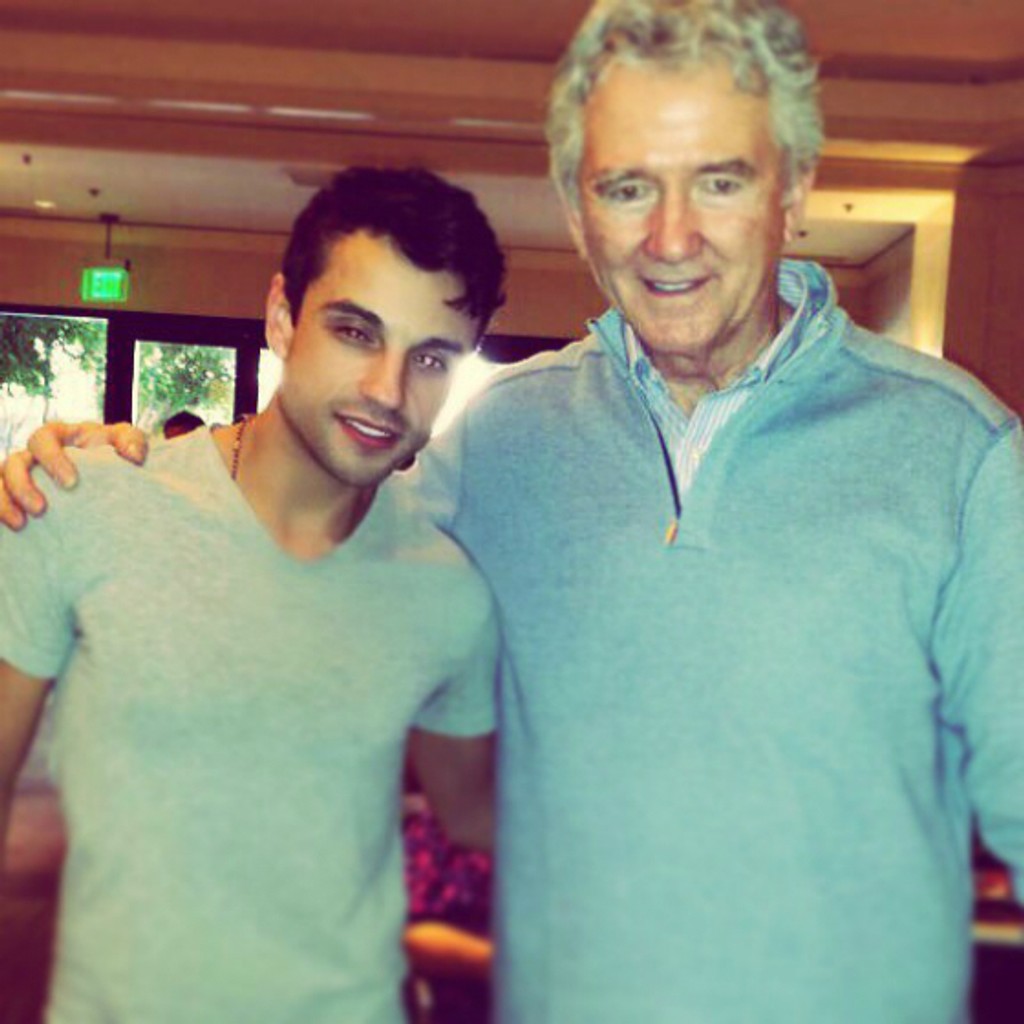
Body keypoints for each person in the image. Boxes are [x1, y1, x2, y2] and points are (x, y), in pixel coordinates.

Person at [3, 1, 1024, 1022]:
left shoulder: (959, 453)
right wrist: (116, 464)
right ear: (579, 212)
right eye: (627, 187)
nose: (671, 237)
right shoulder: (499, 440)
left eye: (720, 180)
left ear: (792, 187)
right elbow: (318, 511)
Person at [0, 166, 506, 1024]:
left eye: (430, 358)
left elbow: (477, 812)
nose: (387, 391)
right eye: (356, 331)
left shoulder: (449, 594)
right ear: (281, 318)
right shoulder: (81, 502)